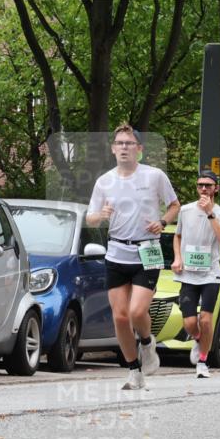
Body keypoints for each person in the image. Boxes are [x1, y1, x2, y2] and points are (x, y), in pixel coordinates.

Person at [86, 124, 180, 390]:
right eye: (120, 143)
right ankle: (133, 371)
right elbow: (90, 218)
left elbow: (174, 205)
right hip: (117, 251)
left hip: (147, 251)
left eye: (130, 143)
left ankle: (148, 344)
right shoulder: (104, 181)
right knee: (120, 317)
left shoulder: (154, 176)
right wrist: (100, 215)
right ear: (113, 149)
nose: (124, 147)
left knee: (137, 310)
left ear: (139, 149)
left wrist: (162, 222)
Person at [171, 170, 220, 378]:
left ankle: (203, 362)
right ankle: (198, 339)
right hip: (188, 274)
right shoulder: (186, 210)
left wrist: (210, 213)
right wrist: (177, 258)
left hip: (210, 273)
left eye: (208, 185)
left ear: (216, 188)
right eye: (200, 185)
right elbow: (177, 236)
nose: (203, 188)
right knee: (189, 323)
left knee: (205, 320)